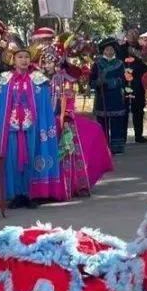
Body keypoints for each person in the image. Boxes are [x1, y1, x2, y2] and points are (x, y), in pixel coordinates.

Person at [0, 47, 60, 209]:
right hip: (11, 130)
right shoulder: (4, 79)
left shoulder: (38, 79)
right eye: (20, 57)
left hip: (33, 128)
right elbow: (0, 108)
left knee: (32, 156)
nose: (24, 60)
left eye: (26, 57)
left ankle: (31, 194)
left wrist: (40, 125)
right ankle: (15, 194)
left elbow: (44, 107)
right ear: (13, 60)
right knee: (12, 160)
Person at [41, 46, 112, 199]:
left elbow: (69, 101)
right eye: (44, 62)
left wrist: (65, 117)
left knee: (87, 135)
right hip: (44, 121)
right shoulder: (39, 80)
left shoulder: (65, 79)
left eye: (49, 62)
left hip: (63, 119)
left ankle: (73, 185)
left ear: (56, 63)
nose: (46, 65)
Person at [90, 39, 128, 154]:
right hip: (102, 97)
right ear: (103, 51)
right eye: (107, 49)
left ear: (114, 51)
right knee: (102, 123)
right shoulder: (97, 64)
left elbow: (123, 79)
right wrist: (98, 82)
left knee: (117, 122)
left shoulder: (120, 64)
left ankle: (117, 147)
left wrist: (111, 82)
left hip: (116, 96)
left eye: (111, 49)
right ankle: (103, 146)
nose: (109, 51)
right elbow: (91, 80)